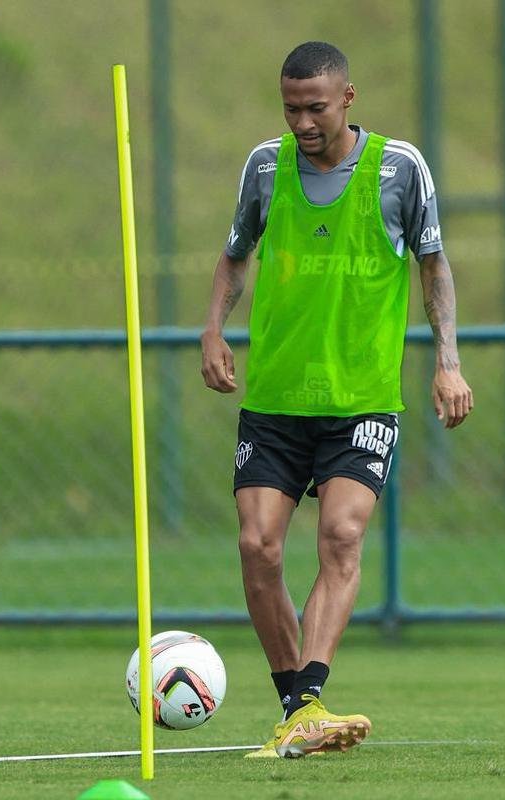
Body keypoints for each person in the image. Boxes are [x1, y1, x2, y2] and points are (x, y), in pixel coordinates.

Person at [200, 41, 473, 759]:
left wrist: (448, 363)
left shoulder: (399, 168)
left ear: (348, 97)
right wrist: (213, 333)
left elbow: (434, 265)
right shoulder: (265, 166)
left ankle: (308, 699)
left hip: (361, 399)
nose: (301, 123)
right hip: (279, 397)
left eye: (315, 107)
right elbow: (236, 253)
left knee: (342, 537)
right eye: (290, 108)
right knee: (258, 546)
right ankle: (300, 706)